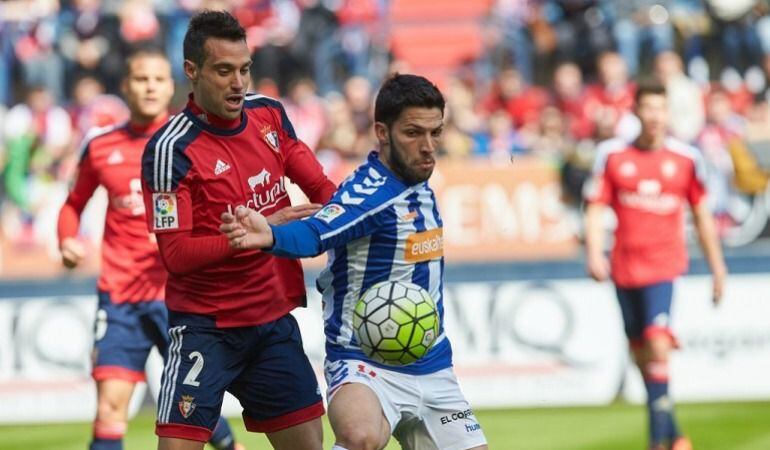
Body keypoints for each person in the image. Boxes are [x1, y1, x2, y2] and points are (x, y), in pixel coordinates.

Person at [220, 74, 489, 450]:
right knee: (360, 437)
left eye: (435, 132)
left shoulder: (417, 184)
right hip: (364, 362)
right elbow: (316, 233)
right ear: (383, 132)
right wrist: (270, 235)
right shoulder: (369, 193)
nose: (428, 146)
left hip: (433, 364)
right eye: (413, 133)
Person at [139, 10, 337, 450]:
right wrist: (251, 234)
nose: (238, 83)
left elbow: (323, 189)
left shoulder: (269, 116)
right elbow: (175, 256)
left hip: (271, 325)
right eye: (223, 70)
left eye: (244, 69)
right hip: (204, 329)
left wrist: (359, 219)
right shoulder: (170, 150)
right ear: (192, 71)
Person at [56, 49, 244, 450]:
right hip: (120, 297)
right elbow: (73, 205)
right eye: (141, 79)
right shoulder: (101, 147)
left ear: (171, 85)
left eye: (158, 79)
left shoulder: (191, 142)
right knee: (110, 407)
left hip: (180, 297)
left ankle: (233, 445)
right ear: (126, 85)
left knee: (193, 407)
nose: (150, 87)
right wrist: (67, 241)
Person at [583, 82, 728, 450]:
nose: (654, 116)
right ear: (636, 112)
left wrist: (718, 269)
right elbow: (596, 206)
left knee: (658, 344)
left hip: (664, 267)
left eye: (660, 108)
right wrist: (595, 252)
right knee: (641, 355)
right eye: (647, 108)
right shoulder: (612, 155)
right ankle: (674, 433)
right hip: (625, 269)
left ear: (668, 113)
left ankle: (656, 441)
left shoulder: (685, 158)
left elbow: (702, 215)